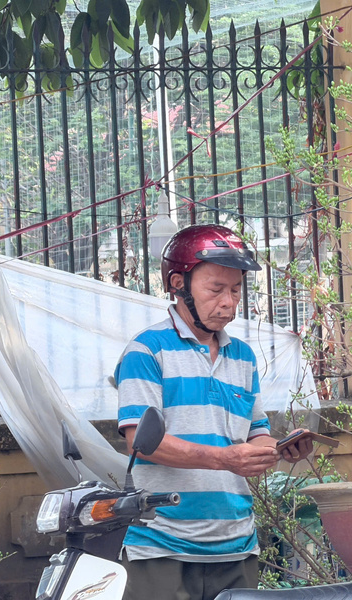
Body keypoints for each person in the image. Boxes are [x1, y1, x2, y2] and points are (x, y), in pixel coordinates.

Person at [115, 224, 313, 600]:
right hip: (163, 546)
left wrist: (279, 447)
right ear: (178, 283)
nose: (229, 302)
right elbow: (141, 444)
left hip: (237, 546)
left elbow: (255, 431)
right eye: (216, 289)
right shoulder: (146, 351)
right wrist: (225, 459)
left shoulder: (243, 356)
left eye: (236, 290)